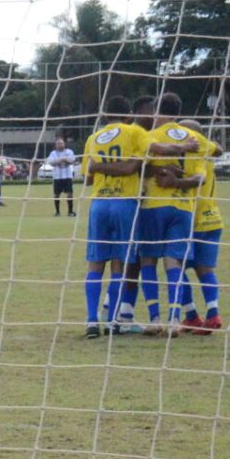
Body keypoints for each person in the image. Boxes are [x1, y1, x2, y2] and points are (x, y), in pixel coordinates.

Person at [131, 94, 209, 337]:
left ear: (156, 111)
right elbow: (200, 178)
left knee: (147, 261)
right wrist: (179, 181)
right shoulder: (194, 138)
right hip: (183, 207)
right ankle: (175, 319)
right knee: (174, 262)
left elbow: (137, 167)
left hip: (152, 206)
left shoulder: (149, 137)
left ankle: (155, 318)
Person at [77, 97, 147, 338]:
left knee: (95, 262)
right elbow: (131, 168)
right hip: (124, 202)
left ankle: (91, 320)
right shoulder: (134, 131)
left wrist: (99, 168)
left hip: (99, 203)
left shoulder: (92, 138)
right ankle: (113, 321)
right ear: (128, 115)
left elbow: (86, 177)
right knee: (120, 262)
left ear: (105, 115)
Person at [179, 122, 224, 333]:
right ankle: (213, 314)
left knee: (176, 268)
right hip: (213, 217)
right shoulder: (206, 147)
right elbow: (219, 149)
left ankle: (191, 316)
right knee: (205, 269)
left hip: (191, 218)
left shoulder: (189, 152)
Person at [44, 138, 78, 216]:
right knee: (56, 195)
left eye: (61, 143)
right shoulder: (53, 153)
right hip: (57, 177)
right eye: (58, 144)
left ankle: (70, 212)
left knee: (70, 194)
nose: (60, 145)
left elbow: (72, 161)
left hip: (67, 177)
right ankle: (57, 212)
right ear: (56, 145)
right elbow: (51, 162)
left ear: (64, 144)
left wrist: (64, 160)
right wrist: (62, 159)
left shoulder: (69, 151)